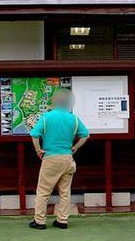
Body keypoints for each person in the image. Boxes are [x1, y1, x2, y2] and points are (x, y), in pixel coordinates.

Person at [28, 89, 89, 230]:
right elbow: (85, 135)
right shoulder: (73, 118)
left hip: (50, 158)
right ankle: (62, 220)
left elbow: (34, 134)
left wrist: (38, 150)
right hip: (67, 158)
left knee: (43, 191)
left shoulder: (46, 117)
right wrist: (75, 147)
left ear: (54, 101)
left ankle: (40, 221)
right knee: (65, 192)